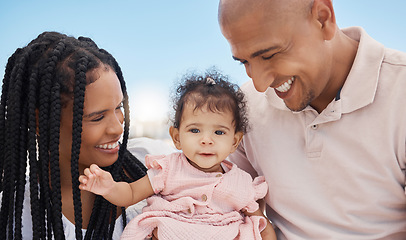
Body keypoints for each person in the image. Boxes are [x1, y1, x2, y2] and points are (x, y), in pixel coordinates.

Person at [218, 0, 406, 239]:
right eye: (245, 62)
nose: (260, 83)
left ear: (322, 18)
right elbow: (221, 200)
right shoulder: (246, 104)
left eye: (269, 55)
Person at [0, 31, 174, 240]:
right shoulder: (17, 217)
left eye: (118, 107)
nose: (117, 128)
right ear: (40, 122)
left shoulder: (157, 161)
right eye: (97, 117)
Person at [79, 70, 276, 240]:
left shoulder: (240, 182)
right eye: (195, 130)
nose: (206, 140)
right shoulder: (169, 169)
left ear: (235, 141)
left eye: (219, 132)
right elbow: (130, 193)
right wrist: (109, 187)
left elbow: (261, 224)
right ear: (176, 137)